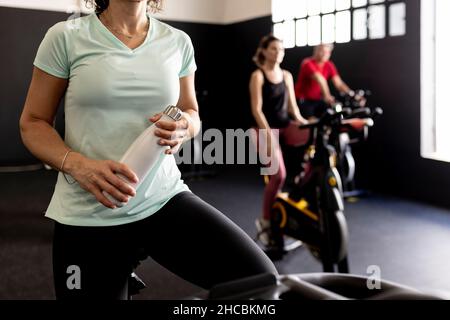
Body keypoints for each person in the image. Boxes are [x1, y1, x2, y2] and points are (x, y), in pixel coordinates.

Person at [19, 0, 277, 299]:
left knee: (261, 283)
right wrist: (78, 165)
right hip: (89, 212)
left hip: (162, 198)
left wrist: (186, 127)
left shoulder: (177, 41)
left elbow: (190, 111)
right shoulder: (66, 36)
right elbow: (33, 122)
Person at [249, 35, 309, 248]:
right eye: (274, 49)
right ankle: (265, 220)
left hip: (285, 127)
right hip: (262, 129)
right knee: (278, 175)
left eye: (281, 50)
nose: (278, 53)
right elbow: (256, 109)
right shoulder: (258, 75)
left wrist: (304, 123)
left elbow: (293, 108)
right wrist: (268, 135)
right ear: (264, 51)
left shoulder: (286, 75)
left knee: (317, 135)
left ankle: (302, 186)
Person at [294, 43, 364, 119]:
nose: (325, 54)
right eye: (322, 51)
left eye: (327, 52)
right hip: (304, 100)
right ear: (315, 51)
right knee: (312, 123)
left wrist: (352, 95)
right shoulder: (307, 63)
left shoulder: (329, 65)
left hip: (318, 100)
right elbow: (321, 80)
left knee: (332, 117)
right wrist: (327, 97)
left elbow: (339, 83)